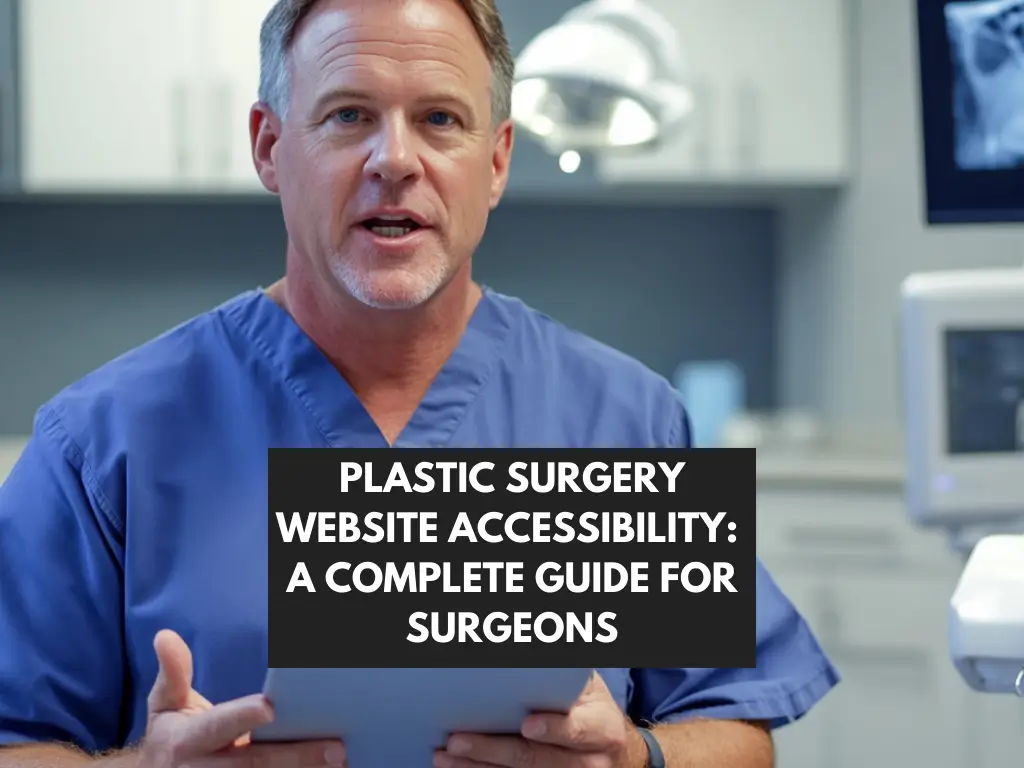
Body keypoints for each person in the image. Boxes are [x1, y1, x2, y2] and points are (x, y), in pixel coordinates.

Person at [0, 0, 839, 766]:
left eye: (440, 119)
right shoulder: (105, 444)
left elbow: (736, 729)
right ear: (268, 146)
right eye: (348, 116)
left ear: (499, 160)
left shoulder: (623, 420)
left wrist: (636, 760)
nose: (394, 160)